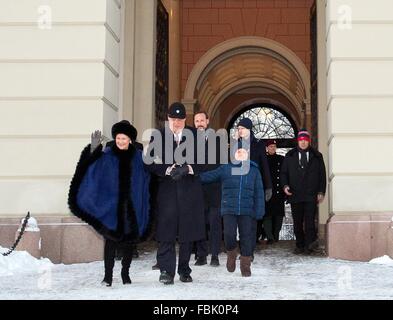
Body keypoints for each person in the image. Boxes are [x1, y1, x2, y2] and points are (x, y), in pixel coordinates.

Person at [68, 121, 150, 286]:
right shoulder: (107, 155)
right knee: (110, 242)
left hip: (131, 207)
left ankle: (125, 274)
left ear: (130, 140)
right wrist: (93, 149)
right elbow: (92, 168)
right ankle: (107, 276)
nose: (120, 141)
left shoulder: (138, 158)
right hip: (111, 207)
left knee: (128, 243)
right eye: (118, 138)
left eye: (124, 138)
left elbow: (147, 178)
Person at [147, 102, 205, 285]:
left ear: (185, 120)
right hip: (167, 191)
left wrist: (188, 168)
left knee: (187, 232)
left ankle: (184, 270)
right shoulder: (158, 136)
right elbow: (148, 162)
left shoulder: (196, 135)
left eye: (180, 120)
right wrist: (166, 169)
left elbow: (206, 161)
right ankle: (166, 270)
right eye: (173, 119)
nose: (177, 123)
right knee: (166, 232)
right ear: (168, 119)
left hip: (189, 190)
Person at [199, 148, 265, 277]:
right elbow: (209, 176)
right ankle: (231, 253)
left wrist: (259, 210)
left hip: (247, 210)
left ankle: (245, 265)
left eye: (243, 151)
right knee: (229, 235)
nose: (240, 154)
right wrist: (192, 175)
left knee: (247, 237)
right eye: (238, 151)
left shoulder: (254, 170)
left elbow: (259, 192)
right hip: (229, 208)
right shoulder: (226, 169)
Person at [280, 129, 326, 255]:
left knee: (310, 222)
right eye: (301, 140)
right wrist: (285, 186)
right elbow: (283, 174)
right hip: (295, 194)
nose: (303, 143)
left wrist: (321, 191)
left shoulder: (317, 156)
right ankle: (299, 245)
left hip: (311, 194)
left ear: (309, 141)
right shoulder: (289, 156)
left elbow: (322, 175)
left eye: (306, 140)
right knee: (298, 222)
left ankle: (310, 245)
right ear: (298, 141)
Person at [234, 118, 272, 256]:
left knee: (252, 220)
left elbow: (265, 166)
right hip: (239, 186)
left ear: (249, 129)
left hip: (255, 186)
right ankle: (244, 249)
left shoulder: (258, 145)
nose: (239, 131)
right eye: (238, 129)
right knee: (241, 220)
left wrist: (268, 186)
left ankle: (248, 252)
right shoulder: (236, 145)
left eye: (242, 128)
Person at [193, 111, 222, 267]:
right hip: (196, 190)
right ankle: (201, 255)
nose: (199, 123)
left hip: (214, 189)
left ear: (207, 121)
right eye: (196, 121)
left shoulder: (218, 141)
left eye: (202, 120)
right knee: (200, 223)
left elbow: (221, 166)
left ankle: (215, 255)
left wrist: (206, 176)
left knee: (214, 223)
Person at [264, 139, 285, 244]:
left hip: (279, 192)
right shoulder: (264, 159)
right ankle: (270, 237)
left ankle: (276, 235)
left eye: (274, 146)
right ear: (267, 148)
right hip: (267, 192)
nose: (272, 148)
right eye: (270, 146)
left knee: (279, 215)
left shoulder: (281, 159)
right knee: (267, 215)